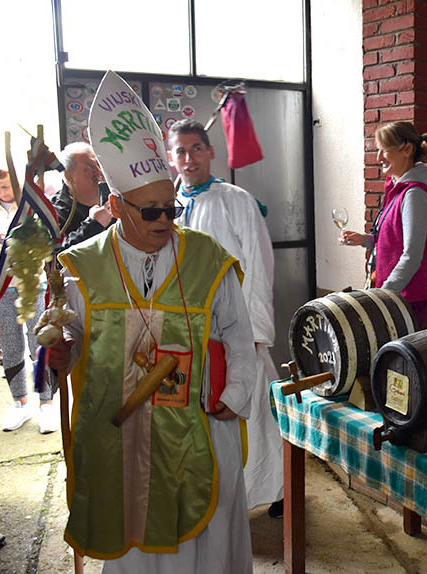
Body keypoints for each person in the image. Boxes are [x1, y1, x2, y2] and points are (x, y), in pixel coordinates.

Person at [48, 71, 255, 573]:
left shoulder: (207, 259)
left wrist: (234, 395)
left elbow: (237, 332)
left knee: (206, 542)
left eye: (171, 208)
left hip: (197, 432)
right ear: (116, 206)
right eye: (152, 212)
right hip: (120, 439)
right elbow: (69, 339)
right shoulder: (81, 267)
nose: (166, 220)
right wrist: (59, 353)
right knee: (134, 545)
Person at [167, 118, 284, 518]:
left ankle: (277, 486)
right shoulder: (166, 206)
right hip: (192, 331)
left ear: (210, 151)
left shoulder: (236, 201)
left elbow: (258, 263)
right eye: (180, 151)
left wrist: (256, 332)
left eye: (196, 148)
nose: (189, 158)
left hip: (240, 327)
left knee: (258, 412)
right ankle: (217, 493)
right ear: (171, 158)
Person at [341, 121, 427, 325]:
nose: (378, 158)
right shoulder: (398, 190)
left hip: (408, 296)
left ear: (407, 150)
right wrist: (365, 240)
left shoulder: (413, 195)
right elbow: (394, 240)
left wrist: (384, 296)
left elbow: (412, 255)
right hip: (397, 294)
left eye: (384, 150)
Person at [0, 165, 56, 433]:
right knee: (9, 344)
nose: (1, 191)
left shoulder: (33, 208)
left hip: (35, 285)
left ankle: (46, 403)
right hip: (3, 288)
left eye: (6, 186)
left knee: (38, 342)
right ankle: (20, 402)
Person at [53, 142, 114, 250]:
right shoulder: (56, 213)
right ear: (69, 175)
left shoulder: (114, 196)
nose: (98, 172)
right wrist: (93, 224)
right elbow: (58, 257)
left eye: (98, 165)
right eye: (89, 168)